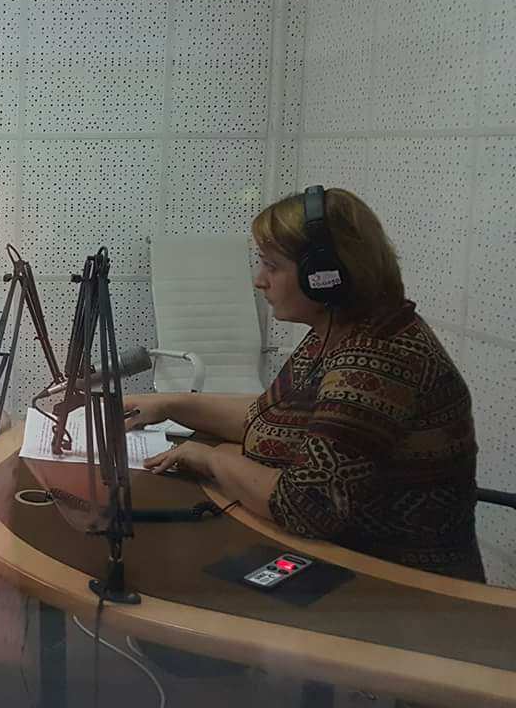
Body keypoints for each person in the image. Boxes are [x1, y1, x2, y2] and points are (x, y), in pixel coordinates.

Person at [125, 187, 484, 581]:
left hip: (398, 586)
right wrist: (169, 404)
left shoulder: (377, 360)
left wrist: (211, 459)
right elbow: (269, 415)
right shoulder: (336, 330)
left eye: (272, 266)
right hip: (341, 561)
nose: (259, 281)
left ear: (324, 277)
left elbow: (304, 505)